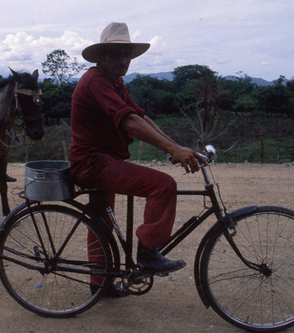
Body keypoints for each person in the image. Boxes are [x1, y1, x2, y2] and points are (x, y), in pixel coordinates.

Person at [69, 22, 208, 295]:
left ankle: (101, 283)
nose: (123, 61)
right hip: (93, 162)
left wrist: (175, 146)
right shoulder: (96, 81)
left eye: (126, 55)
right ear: (101, 57)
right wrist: (173, 151)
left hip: (101, 160)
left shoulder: (114, 82)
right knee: (163, 185)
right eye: (116, 54)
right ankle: (148, 252)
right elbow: (128, 122)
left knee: (101, 222)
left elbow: (140, 116)